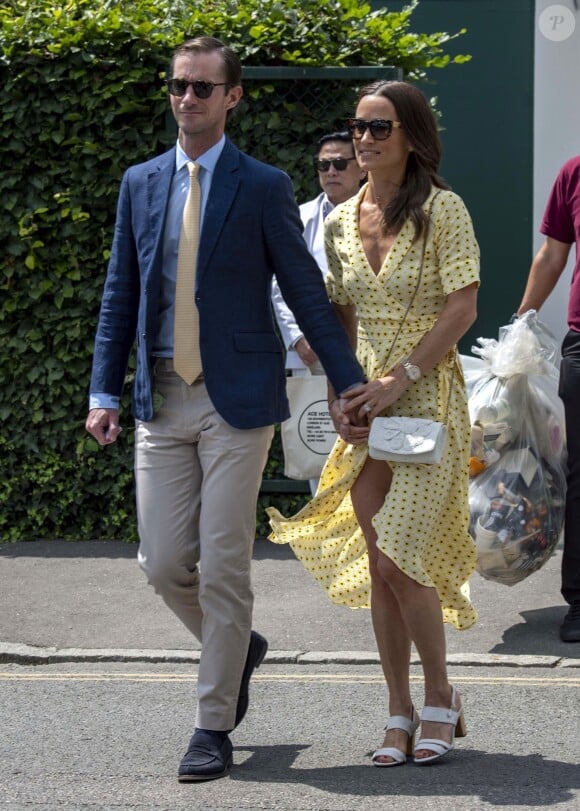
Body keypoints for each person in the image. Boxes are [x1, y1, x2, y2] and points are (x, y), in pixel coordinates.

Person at [85, 36, 365, 783]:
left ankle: (212, 724)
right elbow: (122, 292)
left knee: (223, 566)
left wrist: (347, 381)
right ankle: (239, 647)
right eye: (179, 86)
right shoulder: (141, 182)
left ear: (232, 96)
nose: (188, 99)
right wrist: (102, 390)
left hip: (239, 401)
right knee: (163, 561)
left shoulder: (263, 185)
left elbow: (305, 289)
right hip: (159, 397)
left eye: (204, 88)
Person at [269, 80, 480, 766]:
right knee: (382, 567)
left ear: (413, 138)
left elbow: (463, 307)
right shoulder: (336, 224)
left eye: (379, 127)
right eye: (358, 126)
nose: (363, 139)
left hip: (424, 399)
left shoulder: (444, 212)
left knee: (399, 556)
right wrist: (341, 391)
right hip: (364, 405)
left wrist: (401, 378)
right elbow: (340, 319)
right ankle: (399, 709)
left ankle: (442, 694)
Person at [271, 130, 366, 492]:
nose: (331, 171)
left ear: (361, 169)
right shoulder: (299, 216)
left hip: (366, 346)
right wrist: (296, 337)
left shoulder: (381, 216)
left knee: (365, 447)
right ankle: (323, 547)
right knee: (319, 455)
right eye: (324, 164)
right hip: (311, 351)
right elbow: (279, 283)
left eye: (340, 163)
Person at [515, 155, 580, 643]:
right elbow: (552, 254)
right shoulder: (575, 171)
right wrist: (521, 324)